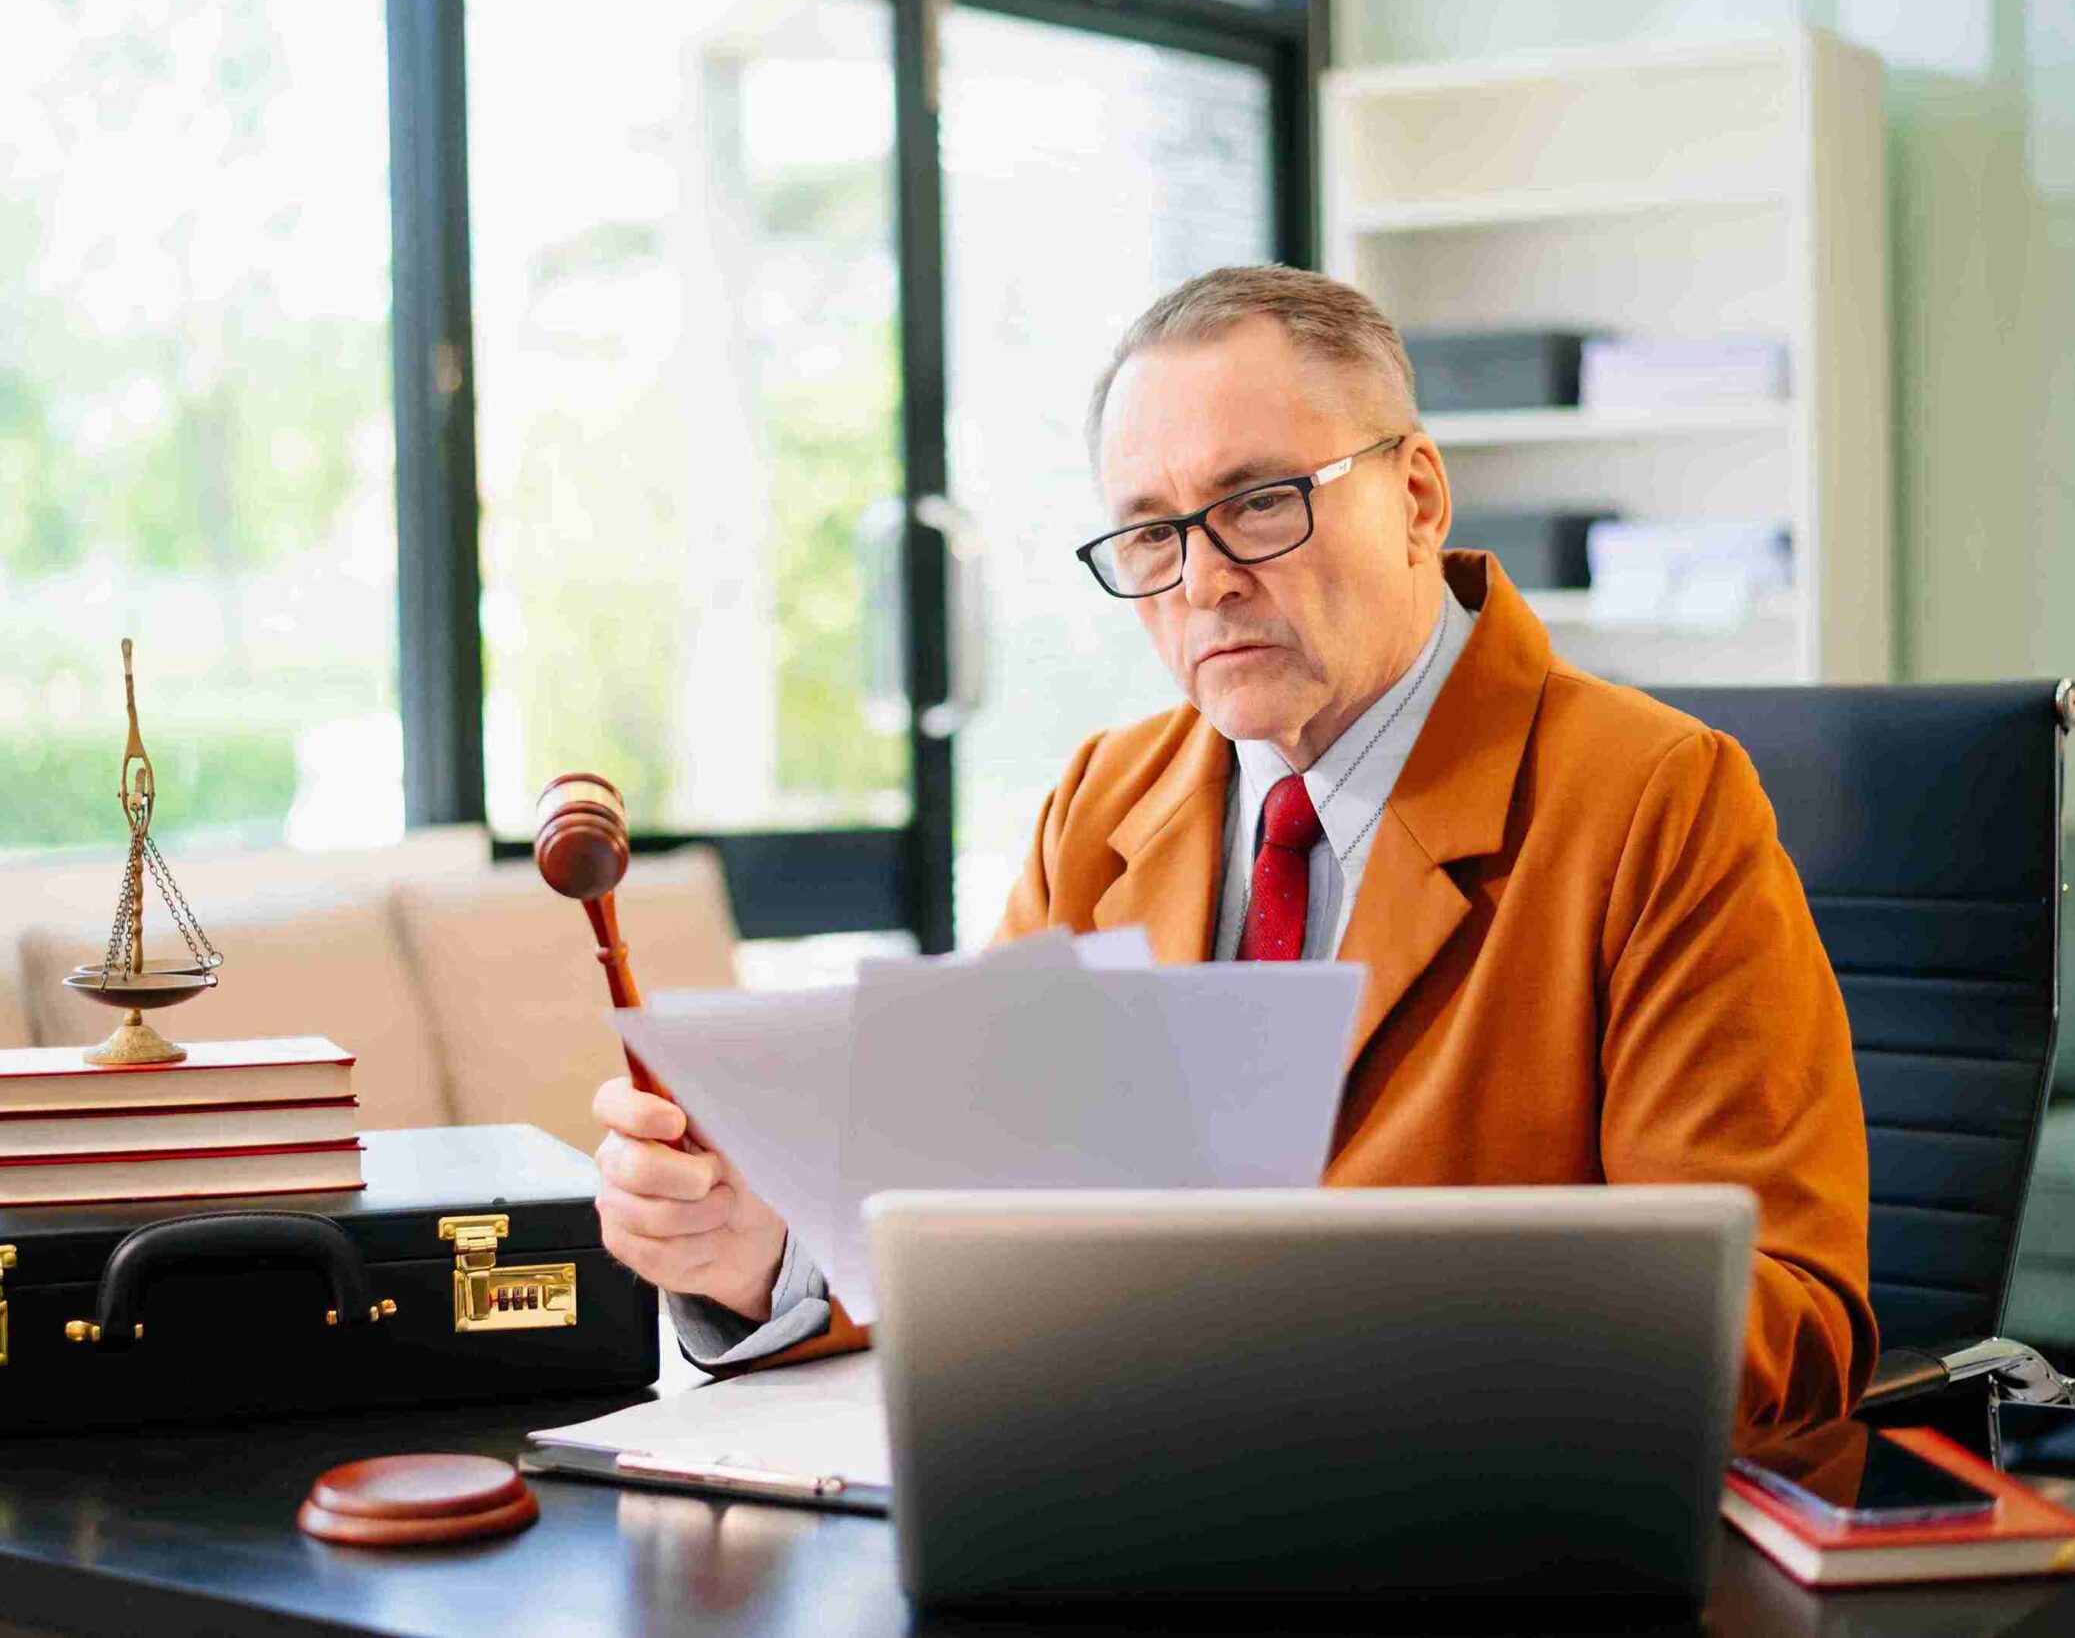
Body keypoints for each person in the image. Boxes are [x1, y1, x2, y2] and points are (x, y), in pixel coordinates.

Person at [589, 264, 1875, 1435]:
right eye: (1149, 532)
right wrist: (760, 1248)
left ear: (1416, 494)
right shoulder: (1099, 804)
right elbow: (984, 1230)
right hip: (1135, 1500)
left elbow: (1787, 1317)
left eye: (1257, 503)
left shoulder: (1656, 798)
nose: (1201, 582)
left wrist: (1355, 1333)